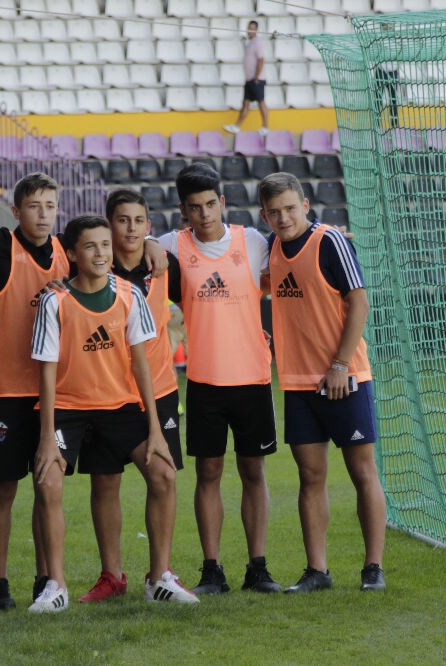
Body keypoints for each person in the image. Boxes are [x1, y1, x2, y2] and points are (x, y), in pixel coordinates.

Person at [0, 172, 168, 609]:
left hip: (59, 393)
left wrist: (153, 244)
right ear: (16, 209)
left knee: (48, 484)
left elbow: (120, 248)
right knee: (4, 489)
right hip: (7, 390)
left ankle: (47, 579)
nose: (43, 215)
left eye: (50, 206)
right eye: (33, 206)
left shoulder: (70, 248)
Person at [30, 215, 196, 612]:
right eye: (90, 246)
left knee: (163, 472)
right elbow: (47, 373)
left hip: (120, 406)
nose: (101, 253)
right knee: (49, 482)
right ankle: (56, 586)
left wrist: (155, 429)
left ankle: (159, 579)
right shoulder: (54, 301)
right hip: (69, 409)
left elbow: (142, 364)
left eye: (105, 245)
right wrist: (47, 437)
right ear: (72, 253)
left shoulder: (128, 293)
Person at [258, 173, 387, 593]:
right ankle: (318, 571)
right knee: (309, 477)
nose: (283, 218)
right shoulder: (271, 250)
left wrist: (340, 364)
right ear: (264, 214)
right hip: (297, 383)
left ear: (306, 205)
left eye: (290, 208)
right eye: (274, 212)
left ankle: (373, 569)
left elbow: (359, 302)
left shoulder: (330, 241)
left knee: (362, 472)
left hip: (345, 377)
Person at [157, 163, 282, 595]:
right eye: (195, 207)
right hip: (205, 381)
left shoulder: (251, 241)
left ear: (222, 202)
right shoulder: (171, 245)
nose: (205, 213)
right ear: (183, 211)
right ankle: (212, 570)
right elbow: (135, 252)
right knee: (207, 473)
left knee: (253, 471)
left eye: (211, 204)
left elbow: (292, 252)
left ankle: (258, 568)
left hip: (252, 377)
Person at [75, 189, 187, 603]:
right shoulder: (92, 266)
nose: (132, 228)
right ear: (109, 225)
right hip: (105, 394)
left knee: (163, 475)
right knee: (105, 481)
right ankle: (112, 576)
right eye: (122, 220)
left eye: (139, 221)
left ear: (149, 225)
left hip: (157, 390)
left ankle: (160, 575)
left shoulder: (163, 264)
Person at [223, 21, 269, 137]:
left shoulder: (258, 43)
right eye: (249, 28)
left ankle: (265, 126)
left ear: (256, 30)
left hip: (256, 79)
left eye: (252, 29)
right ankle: (237, 126)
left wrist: (257, 77)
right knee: (245, 103)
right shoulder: (250, 43)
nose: (250, 31)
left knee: (261, 101)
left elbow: (261, 59)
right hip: (249, 79)